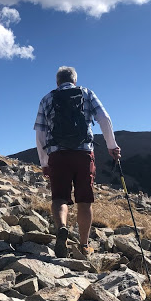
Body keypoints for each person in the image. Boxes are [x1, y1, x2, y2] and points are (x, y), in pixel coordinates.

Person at [34, 66, 121, 258]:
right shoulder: (86, 93)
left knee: (59, 198)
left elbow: (40, 133)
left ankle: (62, 229)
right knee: (84, 200)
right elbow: (104, 118)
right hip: (83, 154)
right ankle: (84, 245)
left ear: (57, 81)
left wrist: (44, 162)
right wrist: (111, 146)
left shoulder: (47, 98)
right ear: (74, 80)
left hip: (58, 155)